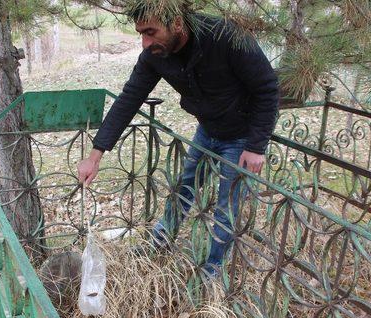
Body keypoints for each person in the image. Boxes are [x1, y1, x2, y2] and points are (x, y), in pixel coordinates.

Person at [77, 3, 279, 277]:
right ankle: (159, 242)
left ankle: (213, 270)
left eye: (150, 32)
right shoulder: (155, 54)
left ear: (178, 24)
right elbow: (129, 98)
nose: (145, 43)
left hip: (241, 138)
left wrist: (256, 146)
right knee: (183, 188)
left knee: (225, 208)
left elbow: (267, 88)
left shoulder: (225, 37)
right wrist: (95, 155)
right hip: (207, 131)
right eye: (140, 33)